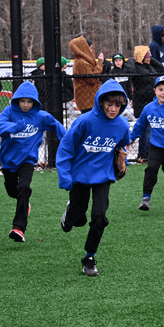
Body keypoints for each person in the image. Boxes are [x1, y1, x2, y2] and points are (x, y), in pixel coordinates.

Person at [57, 79, 130, 276]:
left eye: (118, 105)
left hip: (103, 176)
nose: (113, 108)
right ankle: (70, 214)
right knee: (78, 219)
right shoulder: (84, 121)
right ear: (100, 101)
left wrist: (123, 160)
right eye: (109, 103)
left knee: (99, 217)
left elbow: (122, 145)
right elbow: (65, 148)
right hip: (79, 175)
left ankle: (89, 257)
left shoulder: (122, 125)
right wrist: (64, 175)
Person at [0, 81, 66, 242]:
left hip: (27, 159)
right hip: (8, 161)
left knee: (24, 187)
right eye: (22, 101)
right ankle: (24, 203)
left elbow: (56, 125)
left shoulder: (40, 116)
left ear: (34, 102)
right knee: (14, 192)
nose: (25, 105)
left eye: (29, 101)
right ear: (17, 100)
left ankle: (19, 228)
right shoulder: (9, 112)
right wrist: (14, 127)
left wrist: (68, 142)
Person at [128, 75, 164, 211]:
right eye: (160, 89)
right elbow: (140, 125)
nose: (163, 93)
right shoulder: (149, 108)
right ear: (155, 90)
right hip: (155, 146)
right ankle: (146, 198)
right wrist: (131, 138)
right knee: (151, 168)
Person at [129, 45, 164, 163]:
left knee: (149, 130)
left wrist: (149, 57)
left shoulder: (149, 67)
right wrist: (134, 59)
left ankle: (145, 154)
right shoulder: (136, 68)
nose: (149, 59)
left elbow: (161, 68)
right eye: (146, 56)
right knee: (146, 130)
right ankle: (143, 155)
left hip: (151, 102)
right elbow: (130, 72)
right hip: (142, 102)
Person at [69, 36, 103, 114]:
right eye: (90, 48)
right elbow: (93, 79)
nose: (91, 50)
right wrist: (100, 64)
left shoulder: (84, 61)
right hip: (87, 101)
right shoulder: (81, 63)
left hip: (90, 100)